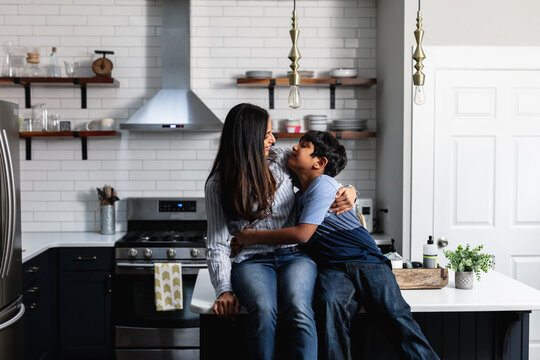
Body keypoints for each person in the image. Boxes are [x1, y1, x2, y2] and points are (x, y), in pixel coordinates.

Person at [235, 131, 440, 360]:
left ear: (319, 162)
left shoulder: (323, 184)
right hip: (331, 266)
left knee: (395, 314)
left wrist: (253, 237)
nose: (294, 148)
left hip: (366, 260)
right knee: (328, 307)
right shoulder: (299, 193)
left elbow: (303, 235)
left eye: (303, 146)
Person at [205, 104, 357, 360]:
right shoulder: (219, 183)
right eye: (266, 134)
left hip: (295, 255)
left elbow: (322, 176)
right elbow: (218, 243)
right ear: (247, 137)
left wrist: (350, 191)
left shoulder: (280, 160)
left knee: (298, 307)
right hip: (252, 260)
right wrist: (224, 289)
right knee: (264, 310)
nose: (273, 139)